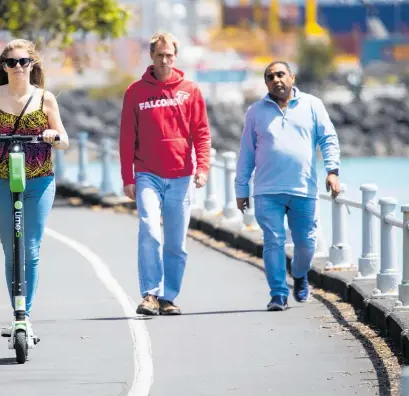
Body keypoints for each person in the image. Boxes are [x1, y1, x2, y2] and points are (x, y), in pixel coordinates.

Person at [0, 39, 69, 336]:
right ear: (3, 67)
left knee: (31, 248)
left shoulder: (46, 99)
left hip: (39, 181)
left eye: (23, 62)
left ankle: (25, 315)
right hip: (1, 181)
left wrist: (52, 135)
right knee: (12, 250)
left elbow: (65, 139)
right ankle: (16, 312)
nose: (18, 67)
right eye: (11, 63)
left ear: (32, 65)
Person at [235, 60, 341, 312]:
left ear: (292, 77)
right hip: (266, 191)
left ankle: (300, 273)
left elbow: (328, 139)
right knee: (273, 240)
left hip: (303, 189)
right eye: (270, 77)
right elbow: (246, 153)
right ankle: (278, 294)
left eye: (281, 74)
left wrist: (332, 171)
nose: (276, 80)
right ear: (266, 83)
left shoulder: (312, 105)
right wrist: (241, 189)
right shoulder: (255, 112)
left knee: (306, 244)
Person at [119, 32, 211, 316]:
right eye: (159, 55)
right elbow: (126, 137)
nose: (164, 59)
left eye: (169, 54)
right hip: (148, 173)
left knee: (176, 242)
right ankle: (150, 294)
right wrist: (128, 177)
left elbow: (201, 132)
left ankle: (168, 297)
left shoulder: (190, 90)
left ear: (176, 56)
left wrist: (203, 167)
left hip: (181, 175)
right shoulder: (135, 92)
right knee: (149, 229)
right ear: (151, 56)